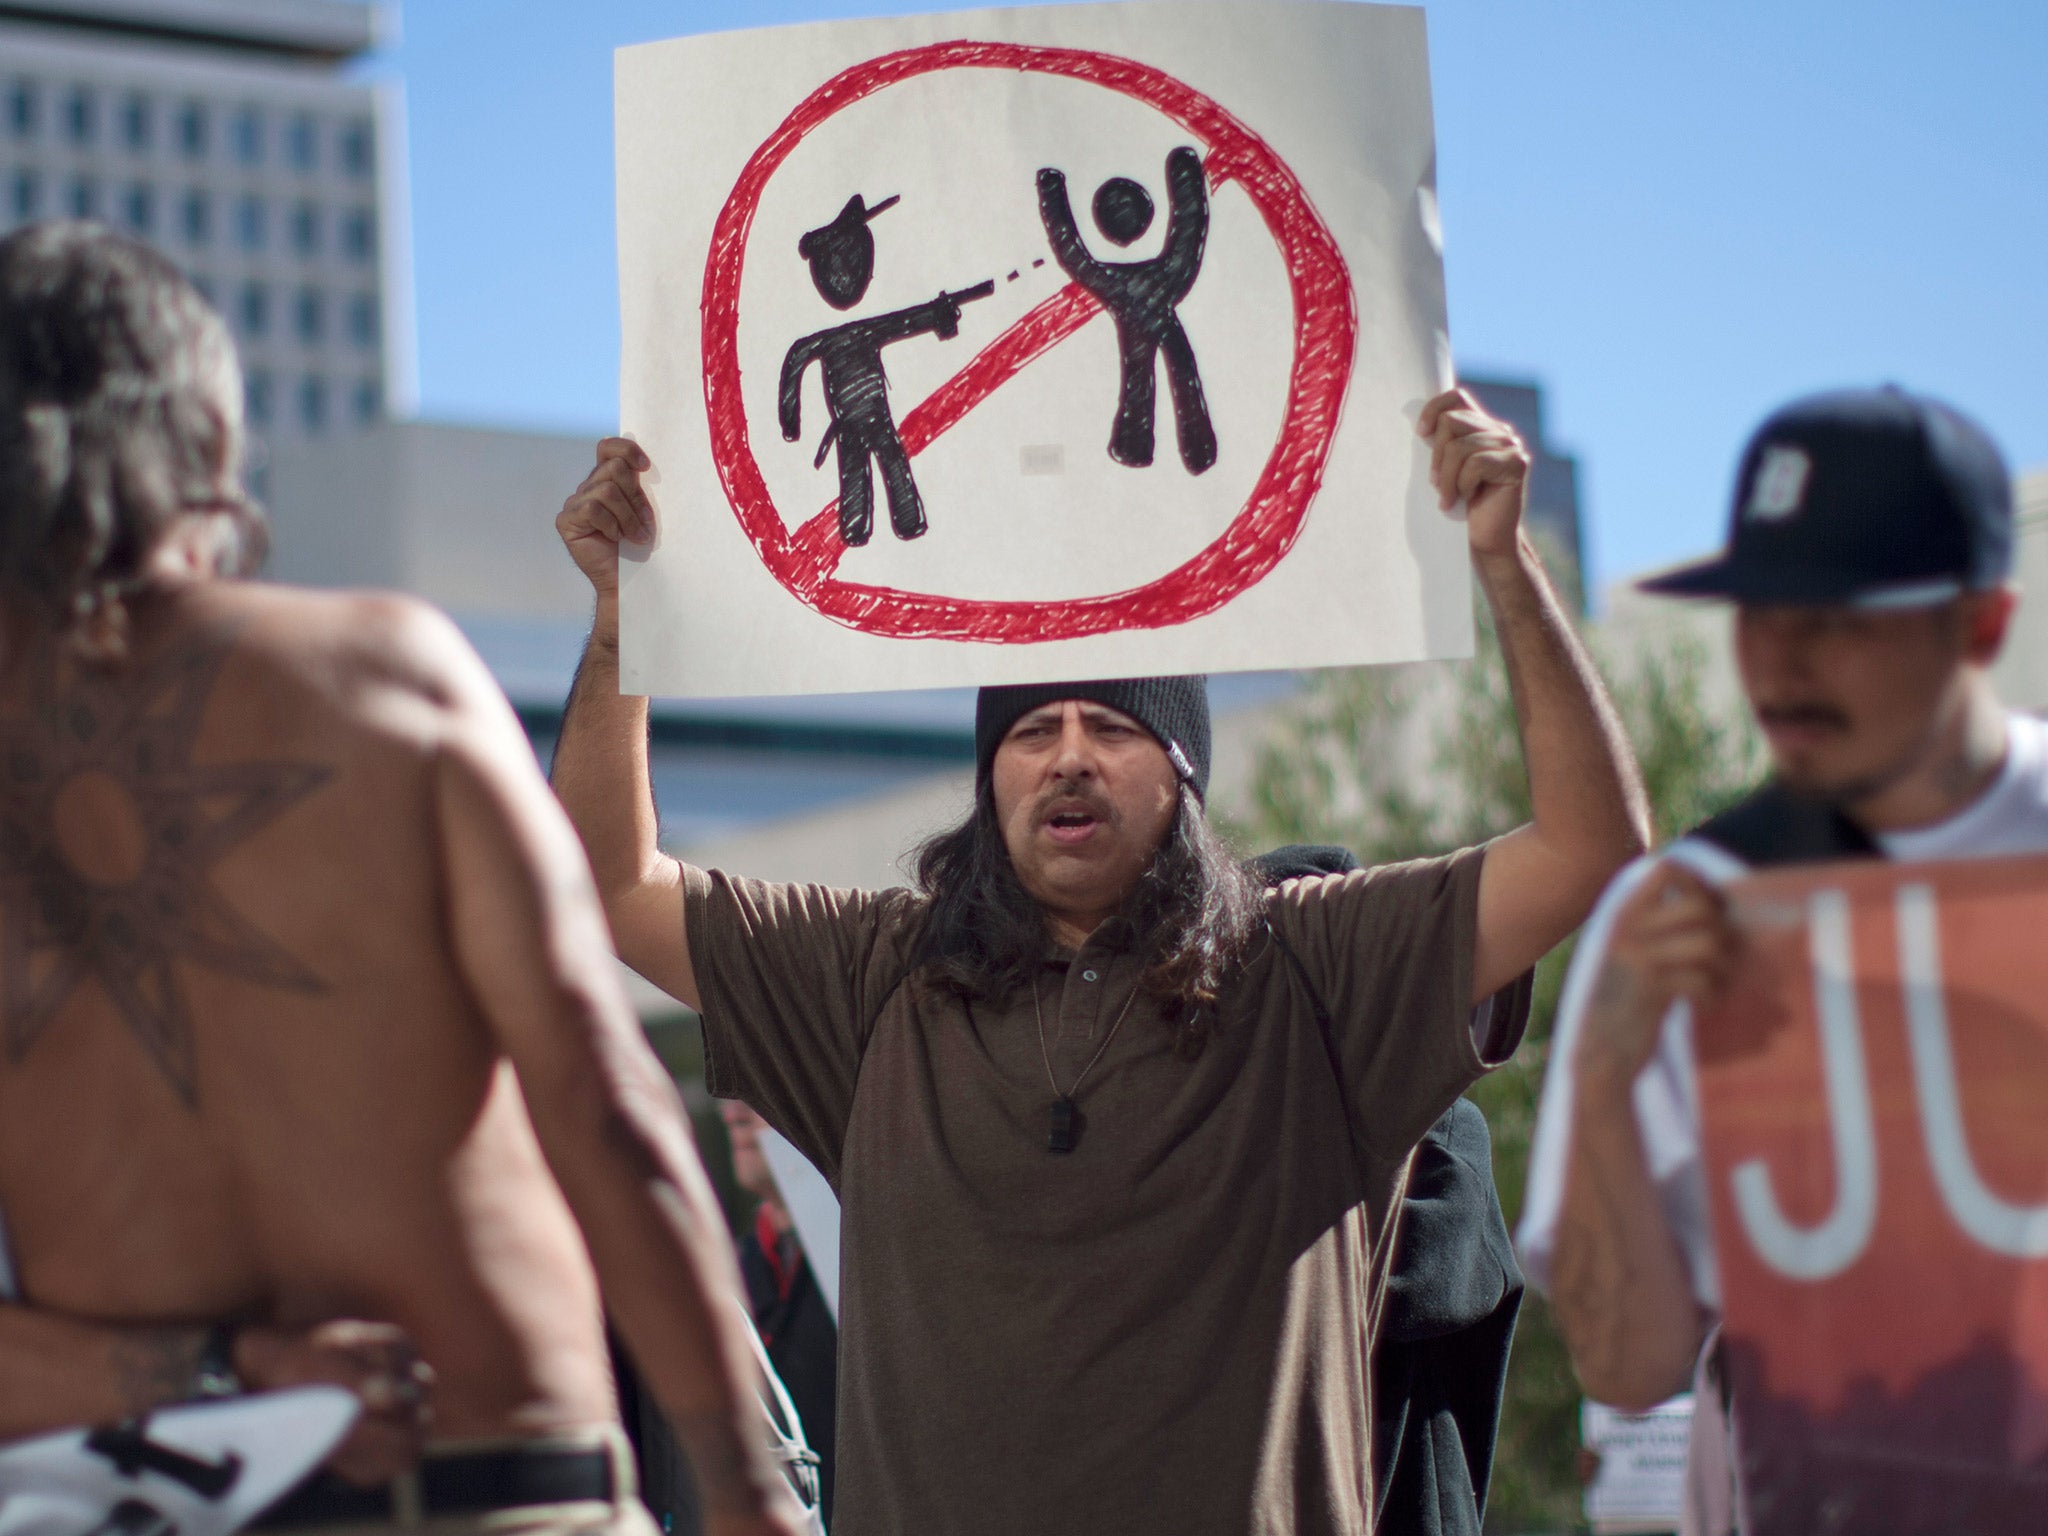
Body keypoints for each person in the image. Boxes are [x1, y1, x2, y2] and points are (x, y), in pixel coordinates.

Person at [551, 380, 1648, 1535]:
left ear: (1183, 776)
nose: (1066, 757)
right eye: (1031, 731)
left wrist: (1505, 569)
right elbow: (609, 883)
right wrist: (624, 626)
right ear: (989, 779)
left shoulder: (1317, 966)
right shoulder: (873, 981)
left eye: (1113, 727)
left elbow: (1589, 846)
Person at [0, 222, 804, 1536]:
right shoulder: (382, 677)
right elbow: (604, 1107)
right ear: (206, 444)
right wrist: (747, 1486)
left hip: (150, 1502)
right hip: (491, 1487)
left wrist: (219, 1372)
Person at [1515, 386, 2046, 1535]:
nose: (1780, 663)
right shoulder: (1684, 909)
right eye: (1756, 614)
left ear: (1981, 626)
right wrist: (1605, 1072)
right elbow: (1623, 1367)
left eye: (1837, 618)